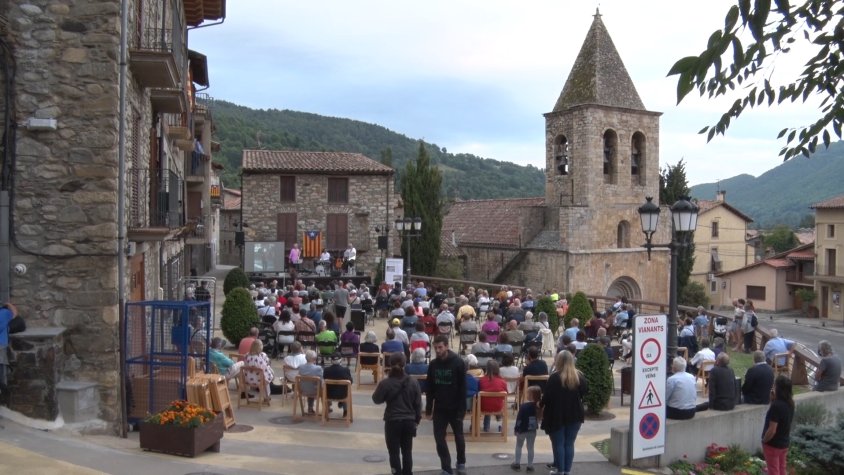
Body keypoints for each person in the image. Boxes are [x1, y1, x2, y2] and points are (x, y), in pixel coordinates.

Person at [373, 352, 422, 475]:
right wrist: (417, 420)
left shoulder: (386, 383)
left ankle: (396, 472)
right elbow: (418, 404)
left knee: (393, 452)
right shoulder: (413, 382)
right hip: (409, 421)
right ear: (405, 364)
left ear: (390, 364)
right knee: (407, 451)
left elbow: (376, 399)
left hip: (392, 421)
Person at [426, 335, 468, 475]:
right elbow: (429, 388)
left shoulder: (458, 363)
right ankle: (446, 467)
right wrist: (428, 408)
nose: (438, 350)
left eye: (440, 347)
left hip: (455, 407)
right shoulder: (433, 364)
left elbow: (463, 388)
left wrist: (462, 410)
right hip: (439, 408)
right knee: (439, 438)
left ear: (446, 347)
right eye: (435, 348)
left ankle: (461, 461)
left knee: (459, 436)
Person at [540, 350, 587, 475]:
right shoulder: (579, 376)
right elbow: (584, 393)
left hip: (556, 414)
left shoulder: (554, 377)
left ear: (558, 361)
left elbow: (547, 397)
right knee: (569, 444)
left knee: (558, 444)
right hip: (575, 414)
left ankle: (560, 471)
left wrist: (539, 405)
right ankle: (567, 471)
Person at [762, 376, 795, 475]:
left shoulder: (776, 406)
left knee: (773, 470)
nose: (773, 387)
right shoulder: (790, 403)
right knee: (781, 468)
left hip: (773, 444)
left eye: (774, 385)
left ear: (778, 388)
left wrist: (764, 440)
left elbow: (772, 430)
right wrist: (773, 400)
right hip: (784, 443)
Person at [512, 385, 542, 472]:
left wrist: (516, 428)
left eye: (527, 393)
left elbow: (519, 418)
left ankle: (517, 464)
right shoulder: (538, 407)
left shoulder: (524, 406)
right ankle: (530, 466)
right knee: (530, 447)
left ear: (531, 395)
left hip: (522, 429)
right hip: (532, 430)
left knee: (519, 446)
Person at [479, 360, 508, 433]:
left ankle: (486, 427)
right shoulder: (502, 381)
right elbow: (505, 394)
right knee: (494, 401)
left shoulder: (482, 380)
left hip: (483, 407)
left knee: (485, 401)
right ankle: (499, 419)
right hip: (498, 407)